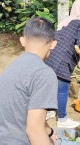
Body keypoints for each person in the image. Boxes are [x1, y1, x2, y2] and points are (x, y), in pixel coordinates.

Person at [0, 17, 59, 145]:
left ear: (22, 41)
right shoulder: (44, 74)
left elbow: (27, 111)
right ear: (53, 44)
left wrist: (49, 132)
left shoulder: (11, 67)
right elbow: (34, 131)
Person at [45, 0, 80, 128]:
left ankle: (49, 111)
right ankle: (62, 119)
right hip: (62, 60)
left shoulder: (66, 22)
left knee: (52, 86)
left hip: (50, 56)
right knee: (63, 90)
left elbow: (69, 43)